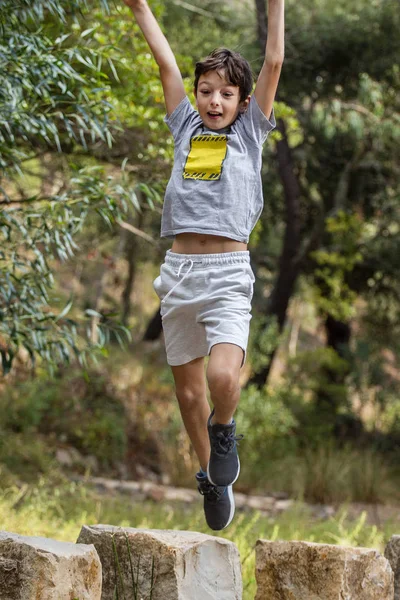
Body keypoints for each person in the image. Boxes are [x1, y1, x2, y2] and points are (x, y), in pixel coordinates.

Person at [122, 0, 284, 530]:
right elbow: (166, 63)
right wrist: (141, 8)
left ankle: (227, 429)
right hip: (180, 274)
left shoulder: (249, 134)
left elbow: (274, 63)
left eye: (226, 93)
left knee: (220, 376)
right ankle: (211, 479)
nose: (215, 101)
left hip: (228, 276)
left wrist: (275, 5)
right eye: (207, 91)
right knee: (189, 394)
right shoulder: (185, 128)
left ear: (241, 101)